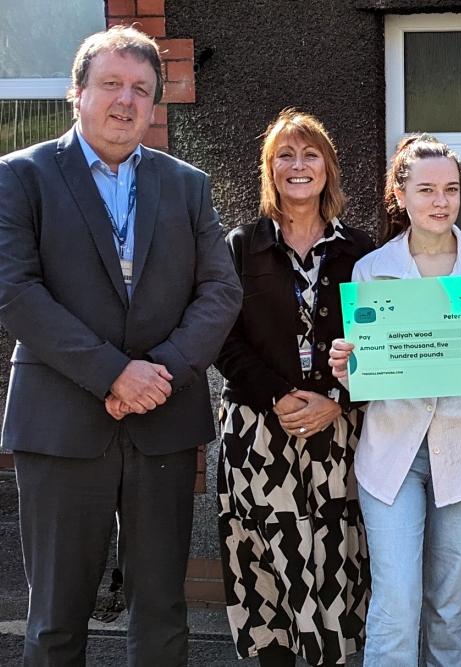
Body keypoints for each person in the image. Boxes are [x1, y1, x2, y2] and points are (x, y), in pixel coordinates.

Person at [0, 26, 242, 665]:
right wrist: (113, 374)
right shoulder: (21, 177)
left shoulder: (186, 184)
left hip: (162, 423)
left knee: (161, 614)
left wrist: (155, 373)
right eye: (110, 84)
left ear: (154, 103)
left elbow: (220, 291)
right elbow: (14, 291)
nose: (126, 101)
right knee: (55, 620)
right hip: (60, 424)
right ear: (76, 94)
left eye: (141, 89)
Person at [329, 134, 461, 665]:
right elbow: (369, 379)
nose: (440, 201)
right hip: (392, 457)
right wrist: (347, 369)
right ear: (399, 195)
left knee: (448, 608)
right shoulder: (371, 271)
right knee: (396, 604)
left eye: (451, 189)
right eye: (426, 189)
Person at [213, 109, 372, 666]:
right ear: (269, 168)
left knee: (333, 564)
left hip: (335, 436)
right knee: (266, 563)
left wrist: (339, 400)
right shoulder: (239, 246)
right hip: (259, 435)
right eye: (286, 155)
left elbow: (382, 347)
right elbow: (221, 339)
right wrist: (277, 395)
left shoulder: (360, 251)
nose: (298, 166)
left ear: (327, 168)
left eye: (310, 155)